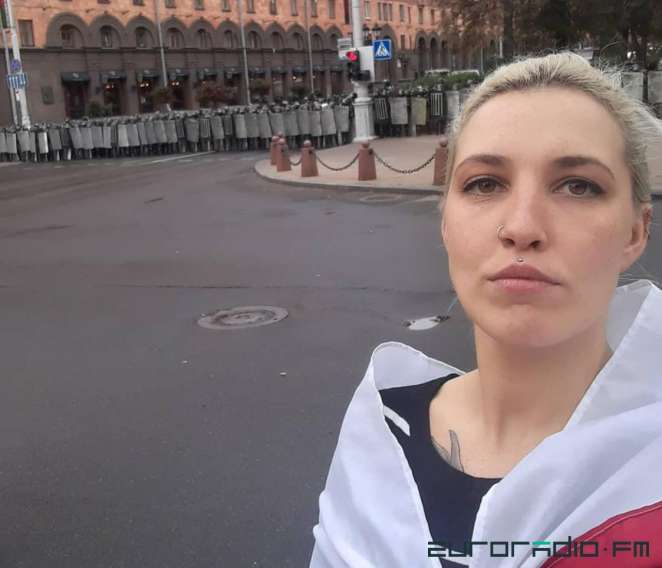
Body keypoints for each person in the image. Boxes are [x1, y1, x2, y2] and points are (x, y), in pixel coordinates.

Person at [309, 51, 661, 568]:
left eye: (578, 186)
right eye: (485, 184)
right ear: (445, 224)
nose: (521, 227)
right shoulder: (378, 433)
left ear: (635, 231)